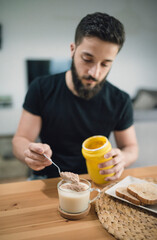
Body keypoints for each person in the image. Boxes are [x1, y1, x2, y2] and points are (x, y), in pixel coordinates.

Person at [12, 12, 138, 181]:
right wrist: (29, 152)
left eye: (105, 64)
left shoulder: (120, 99)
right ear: (72, 50)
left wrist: (123, 158)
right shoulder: (41, 88)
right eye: (87, 59)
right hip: (47, 179)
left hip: (96, 180)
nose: (95, 73)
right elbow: (20, 139)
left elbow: (130, 147)